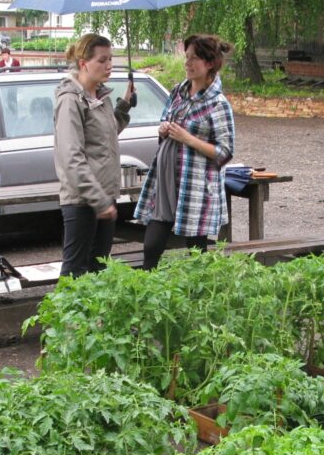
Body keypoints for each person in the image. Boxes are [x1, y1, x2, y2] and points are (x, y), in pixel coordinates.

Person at [134, 34, 235, 270]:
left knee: (197, 252)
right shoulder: (178, 91)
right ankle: (146, 295)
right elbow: (165, 123)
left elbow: (225, 152)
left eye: (194, 59)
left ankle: (198, 299)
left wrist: (188, 139)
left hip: (195, 186)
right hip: (166, 181)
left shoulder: (217, 103)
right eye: (186, 57)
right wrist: (163, 129)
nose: (187, 63)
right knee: (151, 246)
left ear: (210, 63)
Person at [53, 33, 134, 277]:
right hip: (82, 201)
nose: (109, 65)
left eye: (111, 59)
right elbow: (72, 157)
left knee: (98, 272)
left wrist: (124, 106)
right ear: (83, 63)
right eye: (102, 60)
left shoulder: (101, 97)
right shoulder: (70, 101)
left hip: (104, 198)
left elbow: (105, 136)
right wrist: (98, 201)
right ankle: (59, 317)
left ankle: (94, 318)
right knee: (75, 273)